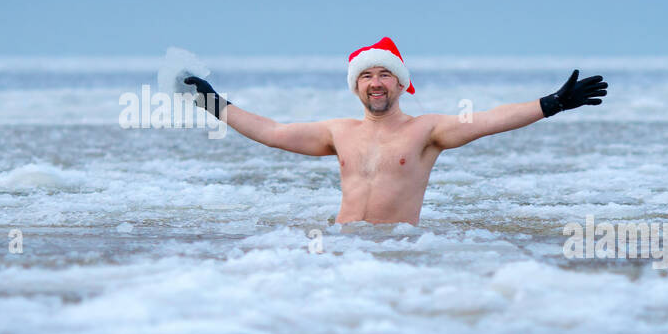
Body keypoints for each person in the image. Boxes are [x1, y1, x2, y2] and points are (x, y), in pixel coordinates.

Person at [183, 37, 606, 225]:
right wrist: (214, 103)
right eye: (366, 76)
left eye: (385, 74)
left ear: (401, 84)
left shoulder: (427, 131)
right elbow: (273, 131)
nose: (376, 83)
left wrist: (551, 103)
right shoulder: (338, 132)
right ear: (357, 87)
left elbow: (488, 120)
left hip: (398, 250)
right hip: (343, 247)